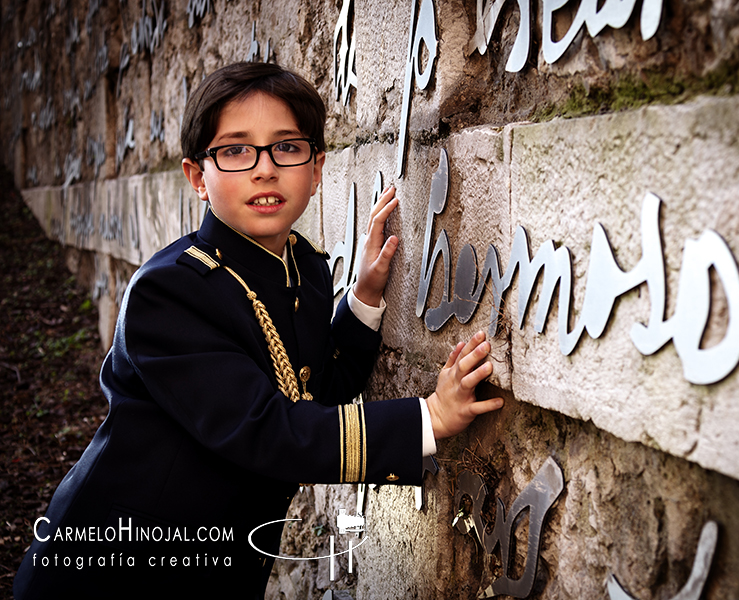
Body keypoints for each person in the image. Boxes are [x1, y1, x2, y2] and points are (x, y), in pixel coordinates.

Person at [14, 62, 503, 599]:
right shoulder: (169, 294)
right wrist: (428, 417)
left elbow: (316, 395)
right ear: (198, 177)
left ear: (316, 170)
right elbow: (266, 429)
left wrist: (362, 296)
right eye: (236, 150)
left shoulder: (306, 270)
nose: (264, 169)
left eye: (287, 147)